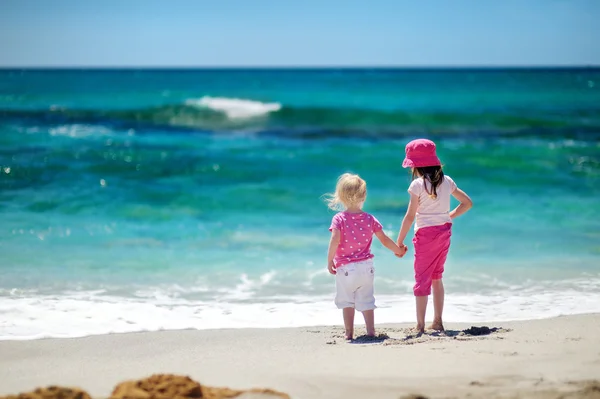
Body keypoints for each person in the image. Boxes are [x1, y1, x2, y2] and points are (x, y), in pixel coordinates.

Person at [396, 139, 473, 334]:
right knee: (437, 277)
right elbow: (467, 203)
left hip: (426, 236)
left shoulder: (418, 185)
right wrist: (449, 216)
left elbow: (410, 216)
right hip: (444, 232)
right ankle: (438, 321)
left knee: (422, 279)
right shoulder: (447, 181)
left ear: (416, 166)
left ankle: (420, 325)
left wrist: (399, 241)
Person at [325, 173, 406, 340]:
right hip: (366, 268)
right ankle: (370, 331)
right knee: (367, 300)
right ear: (364, 196)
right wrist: (397, 250)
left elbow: (335, 240)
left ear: (340, 196)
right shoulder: (370, 219)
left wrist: (329, 260)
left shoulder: (339, 219)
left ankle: (349, 333)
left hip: (346, 268)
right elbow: (383, 239)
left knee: (347, 301)